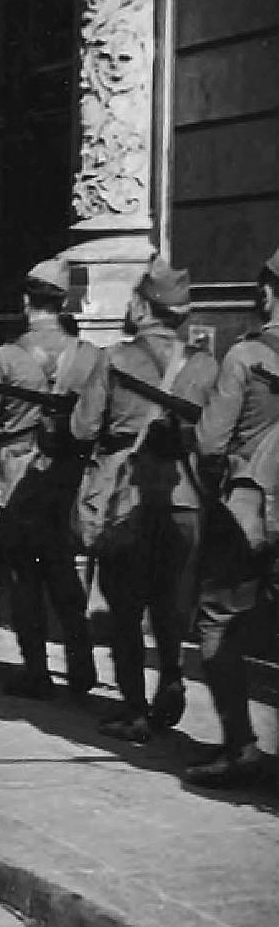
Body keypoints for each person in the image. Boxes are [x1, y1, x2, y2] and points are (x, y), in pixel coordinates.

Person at [69, 258, 216, 743]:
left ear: (142, 305)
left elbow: (83, 428)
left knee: (124, 607)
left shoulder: (116, 359)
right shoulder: (204, 363)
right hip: (185, 496)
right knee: (169, 601)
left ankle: (134, 709)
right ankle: (172, 674)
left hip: (126, 495)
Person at [0, 257, 103, 698]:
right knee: (65, 572)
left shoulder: (6, 356)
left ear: (28, 301)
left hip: (15, 476)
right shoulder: (89, 356)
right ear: (62, 302)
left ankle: (36, 670)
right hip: (69, 477)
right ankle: (81, 664)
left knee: (23, 576)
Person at [186, 244, 279, 788]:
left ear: (266, 292)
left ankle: (239, 745)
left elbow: (210, 441)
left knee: (217, 621)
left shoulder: (245, 357)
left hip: (251, 512)